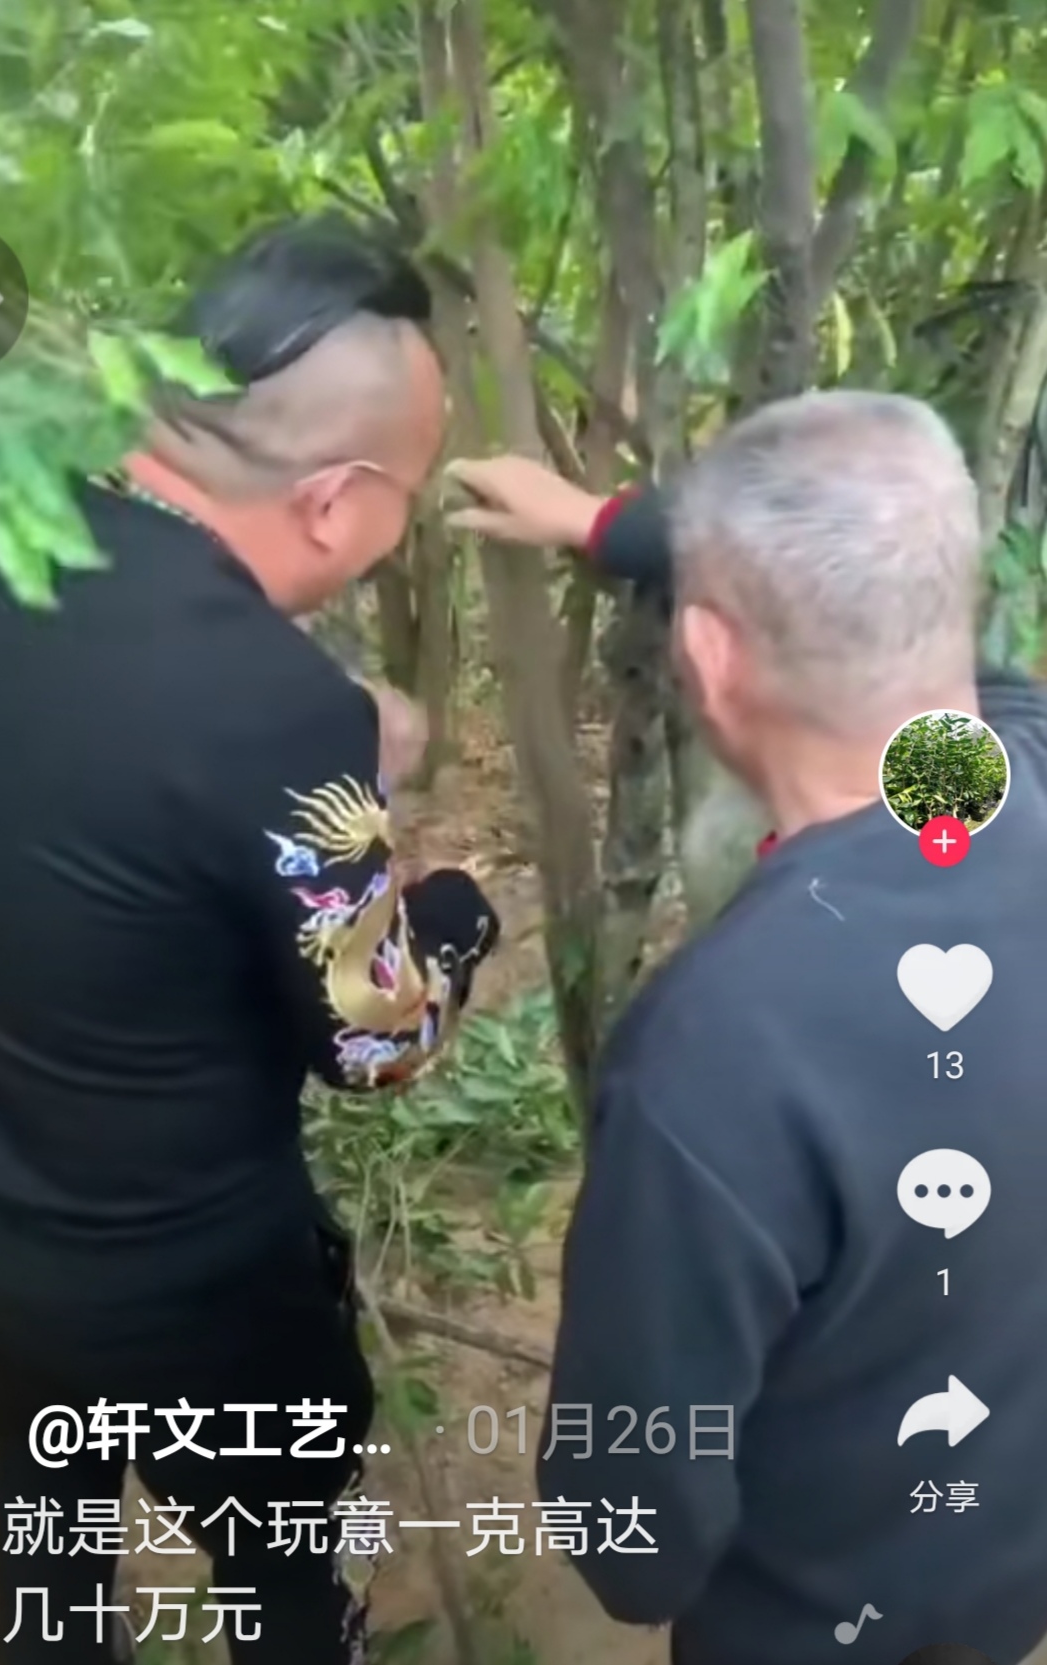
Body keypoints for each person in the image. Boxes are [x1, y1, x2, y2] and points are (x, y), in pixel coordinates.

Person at [0, 215, 499, 1665]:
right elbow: (377, 1042)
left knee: (48, 1527)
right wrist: (450, 911)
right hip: (197, 1279)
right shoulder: (276, 709)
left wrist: (324, 776)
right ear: (334, 502)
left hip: (2, 1236)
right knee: (284, 1574)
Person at [447, 396, 1047, 1665]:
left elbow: (633, 1540)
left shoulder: (716, 1053)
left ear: (708, 654)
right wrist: (606, 525)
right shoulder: (1028, 770)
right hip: (1008, 1571)